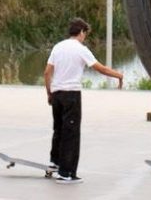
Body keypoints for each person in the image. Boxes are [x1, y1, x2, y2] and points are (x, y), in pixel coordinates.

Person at [44, 18, 124, 184]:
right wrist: (119, 75)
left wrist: (49, 93)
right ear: (81, 32)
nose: (84, 37)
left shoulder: (58, 47)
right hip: (71, 95)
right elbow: (100, 68)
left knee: (58, 129)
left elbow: (46, 73)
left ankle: (55, 162)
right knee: (71, 134)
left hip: (57, 94)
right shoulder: (80, 49)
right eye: (85, 34)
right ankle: (66, 174)